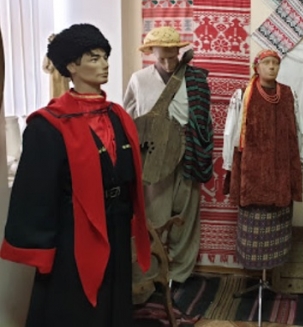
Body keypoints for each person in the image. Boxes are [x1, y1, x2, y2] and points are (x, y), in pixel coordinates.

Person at [0, 23, 150, 326]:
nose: (105, 64)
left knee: (115, 298)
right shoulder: (48, 125)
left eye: (105, 56)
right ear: (71, 66)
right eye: (94, 58)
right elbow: (36, 194)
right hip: (73, 234)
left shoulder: (118, 116)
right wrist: (42, 248)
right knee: (76, 306)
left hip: (117, 224)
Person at [123, 26, 213, 295]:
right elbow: (129, 119)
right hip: (154, 154)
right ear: (151, 52)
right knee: (154, 215)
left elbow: (204, 118)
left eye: (172, 57)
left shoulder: (195, 79)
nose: (167, 63)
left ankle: (179, 274)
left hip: (189, 151)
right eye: (161, 57)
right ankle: (151, 273)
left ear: (178, 52)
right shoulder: (139, 79)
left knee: (185, 214)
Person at [222, 49, 303, 270]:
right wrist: (229, 164)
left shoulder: (288, 94)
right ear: (257, 67)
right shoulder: (243, 95)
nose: (271, 67)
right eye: (267, 62)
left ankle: (270, 273)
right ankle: (256, 272)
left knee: (278, 224)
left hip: (281, 172)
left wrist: (300, 160)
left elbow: (299, 129)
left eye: (275, 63)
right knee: (253, 225)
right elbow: (231, 132)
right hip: (252, 173)